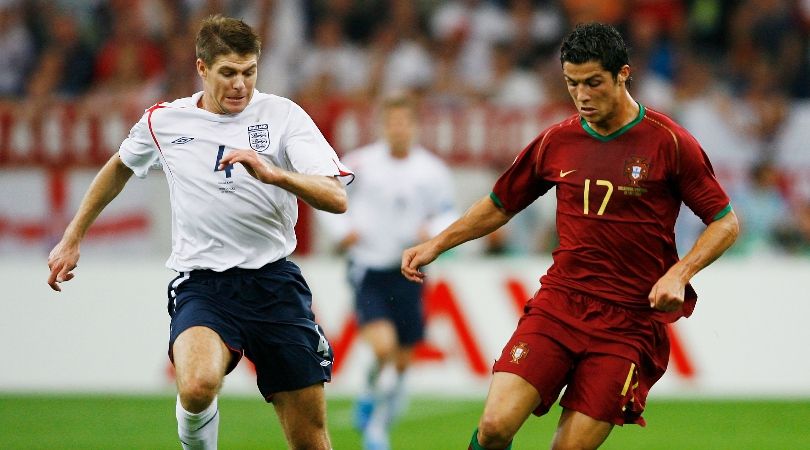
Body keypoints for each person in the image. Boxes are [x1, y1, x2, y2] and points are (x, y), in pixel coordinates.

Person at [401, 22, 739, 450]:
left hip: (627, 322)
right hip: (560, 305)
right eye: (572, 84)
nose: (581, 96)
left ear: (623, 74)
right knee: (494, 427)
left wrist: (679, 273)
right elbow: (501, 203)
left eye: (593, 83)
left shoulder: (669, 143)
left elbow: (725, 222)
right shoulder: (556, 141)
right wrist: (437, 243)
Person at [46, 15, 353, 450]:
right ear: (202, 68)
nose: (240, 85)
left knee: (311, 441)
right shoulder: (165, 122)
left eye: (249, 72)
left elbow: (335, 197)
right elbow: (118, 167)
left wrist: (275, 175)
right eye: (228, 72)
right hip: (204, 285)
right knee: (196, 385)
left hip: (275, 285)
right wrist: (73, 236)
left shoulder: (283, 116)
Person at [319, 95, 457, 450]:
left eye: (404, 122)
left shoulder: (432, 170)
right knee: (383, 349)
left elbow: (448, 212)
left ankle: (370, 395)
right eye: (392, 122)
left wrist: (435, 230)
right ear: (383, 126)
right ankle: (377, 431)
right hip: (369, 267)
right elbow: (327, 197)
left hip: (410, 270)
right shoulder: (360, 164)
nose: (398, 129)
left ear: (413, 126)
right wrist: (341, 232)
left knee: (402, 361)